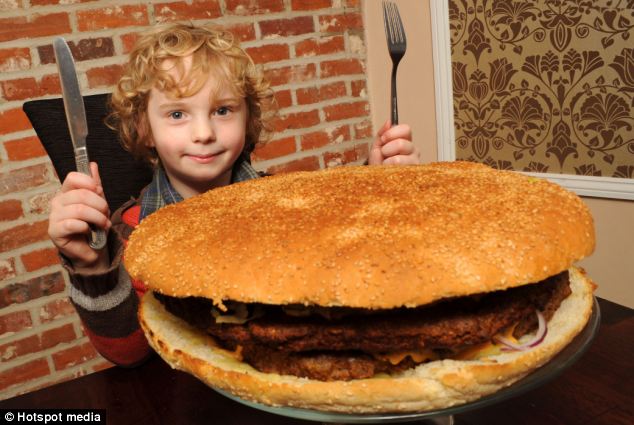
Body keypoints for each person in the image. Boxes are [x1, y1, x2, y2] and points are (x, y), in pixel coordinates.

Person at [47, 23, 420, 367]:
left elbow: (338, 247)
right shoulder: (132, 234)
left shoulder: (283, 202)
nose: (204, 132)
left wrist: (376, 184)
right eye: (177, 114)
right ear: (145, 128)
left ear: (247, 118)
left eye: (222, 110)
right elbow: (128, 354)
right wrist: (94, 268)